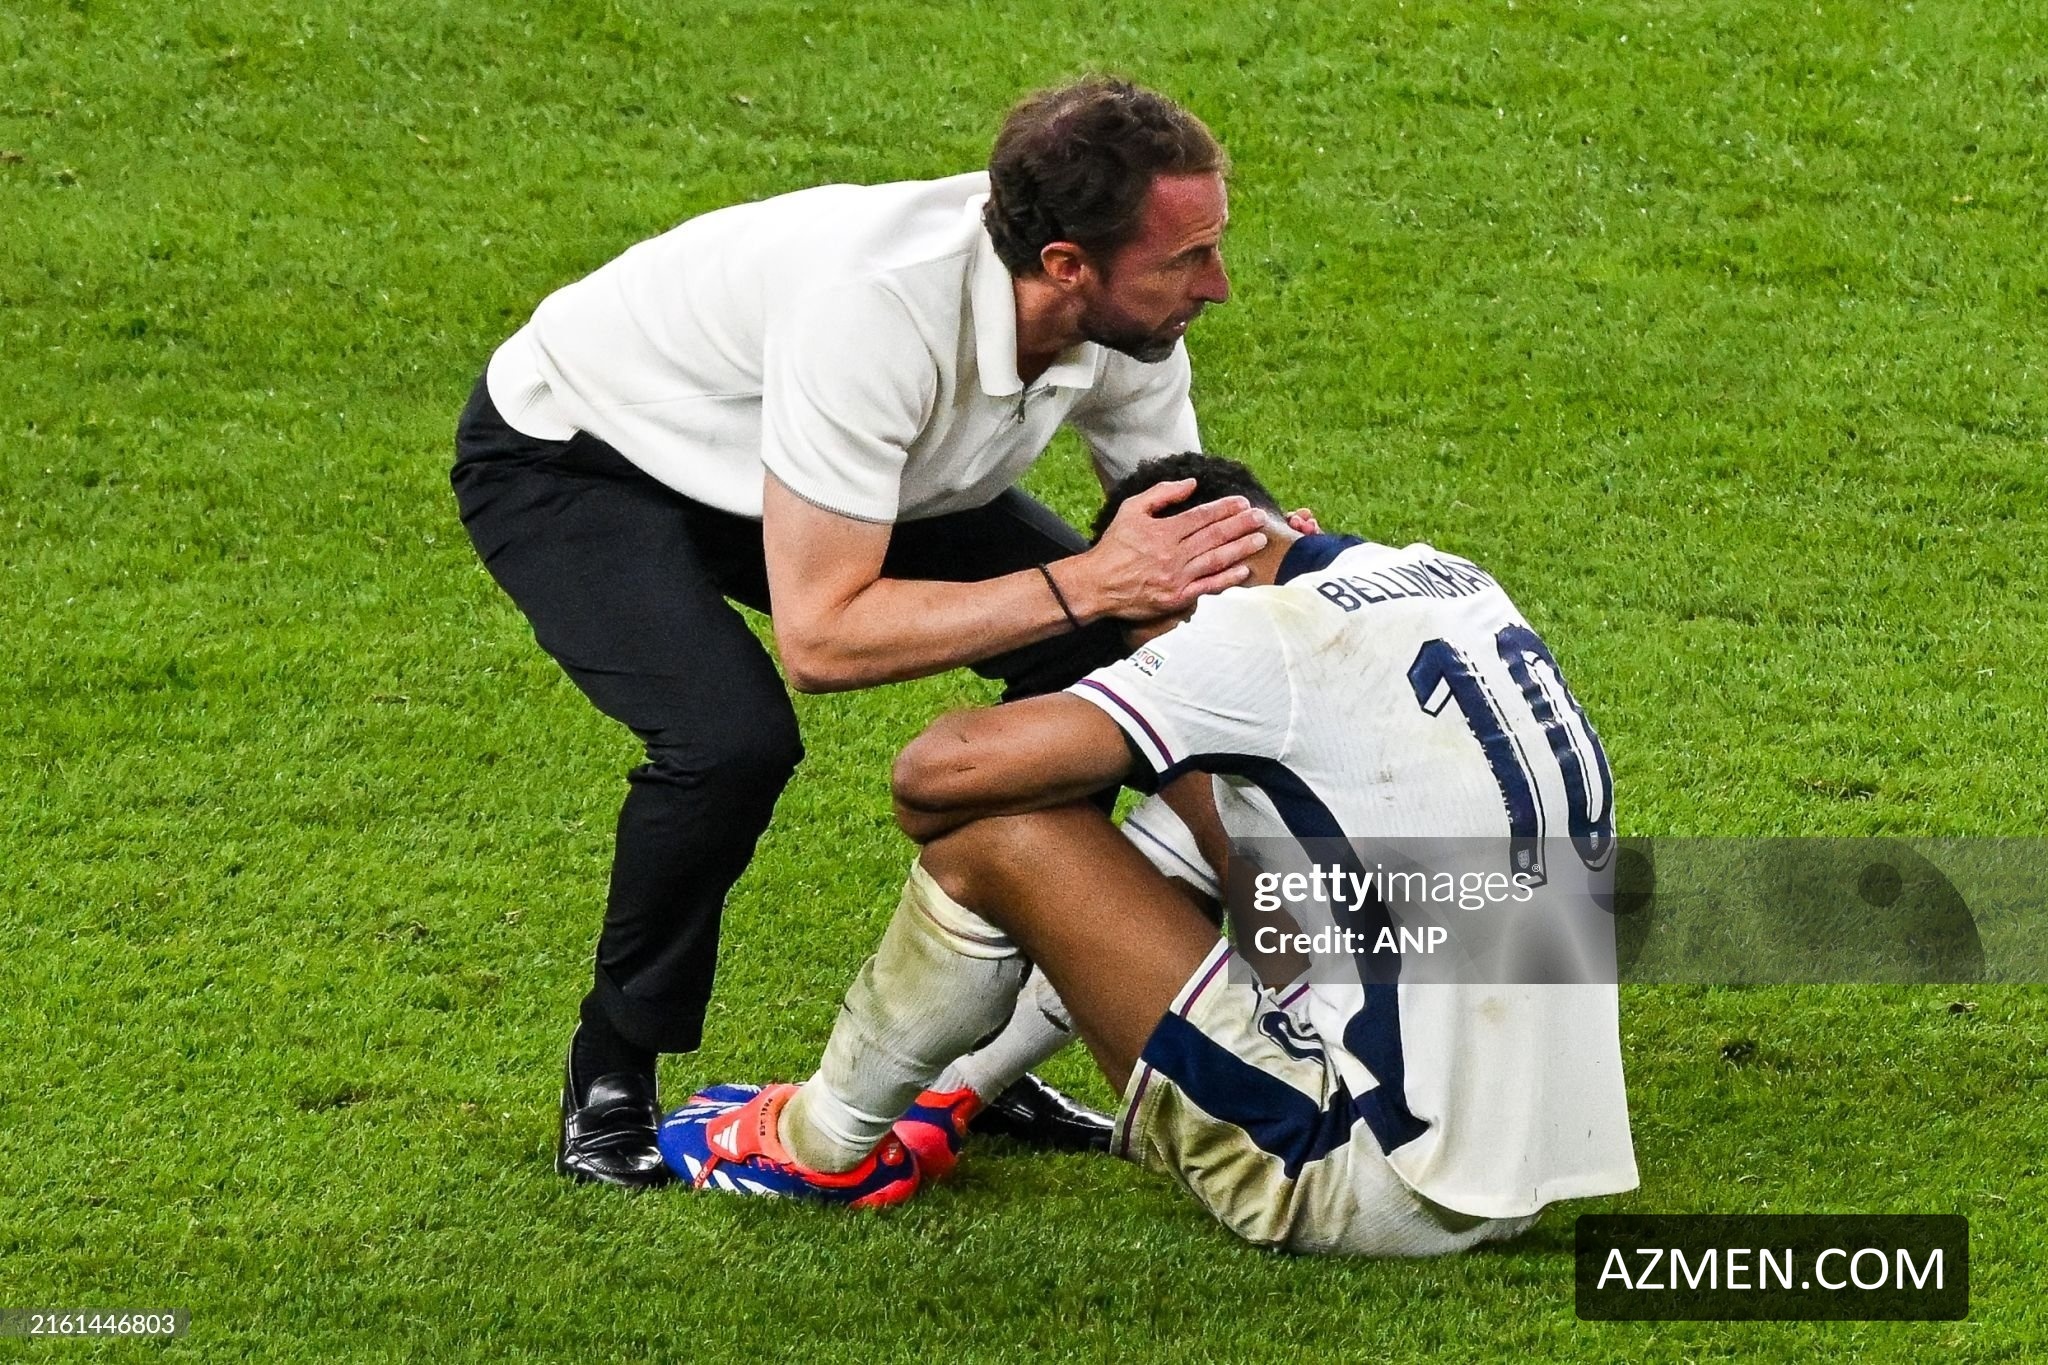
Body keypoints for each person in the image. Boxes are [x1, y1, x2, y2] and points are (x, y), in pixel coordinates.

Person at [452, 79, 1274, 1186]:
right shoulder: (876, 310)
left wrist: (1292, 571)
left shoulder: (1130, 317)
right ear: (1067, 263)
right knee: (727, 741)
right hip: (584, 456)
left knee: (1107, 664)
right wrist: (1088, 582)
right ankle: (612, 1071)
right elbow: (825, 640)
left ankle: (968, 1050)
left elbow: (1176, 561)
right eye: (1188, 259)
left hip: (842, 464)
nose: (1216, 285)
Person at [659, 454, 1639, 1256]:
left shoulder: (1248, 636)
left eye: (1137, 635)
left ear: (1178, 584)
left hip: (1371, 1179)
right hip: (1522, 1163)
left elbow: (935, 775)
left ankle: (821, 1143)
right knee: (1217, 795)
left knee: (998, 829)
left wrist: (1101, 619)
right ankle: (957, 1087)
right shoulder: (1448, 577)